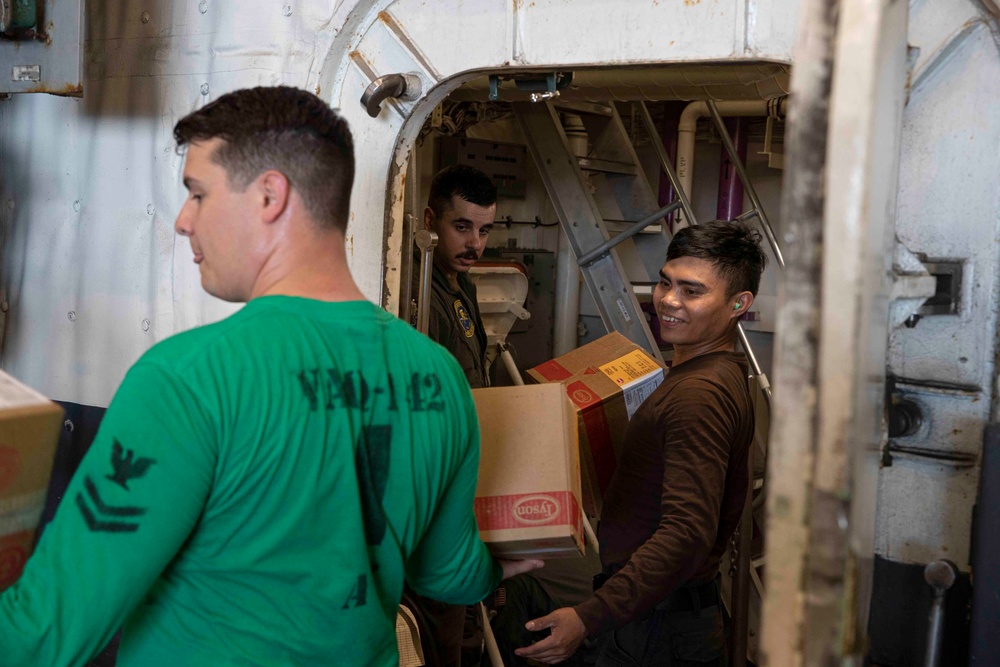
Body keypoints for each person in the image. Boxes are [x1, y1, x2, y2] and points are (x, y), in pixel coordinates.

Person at [0, 86, 539, 667]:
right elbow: (449, 572)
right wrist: (492, 570)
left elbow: (47, 630)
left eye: (197, 194)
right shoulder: (439, 378)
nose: (183, 222)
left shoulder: (188, 379)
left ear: (269, 195)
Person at [515, 220, 767, 666]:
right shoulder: (711, 372)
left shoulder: (699, 395)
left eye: (692, 291)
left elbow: (687, 533)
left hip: (658, 631)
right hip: (662, 618)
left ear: (738, 304)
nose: (668, 300)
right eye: (666, 282)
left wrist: (590, 617)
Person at [421, 164, 496, 389]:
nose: (475, 243)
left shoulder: (461, 279)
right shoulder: (419, 293)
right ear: (429, 220)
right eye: (462, 227)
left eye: (484, 231)